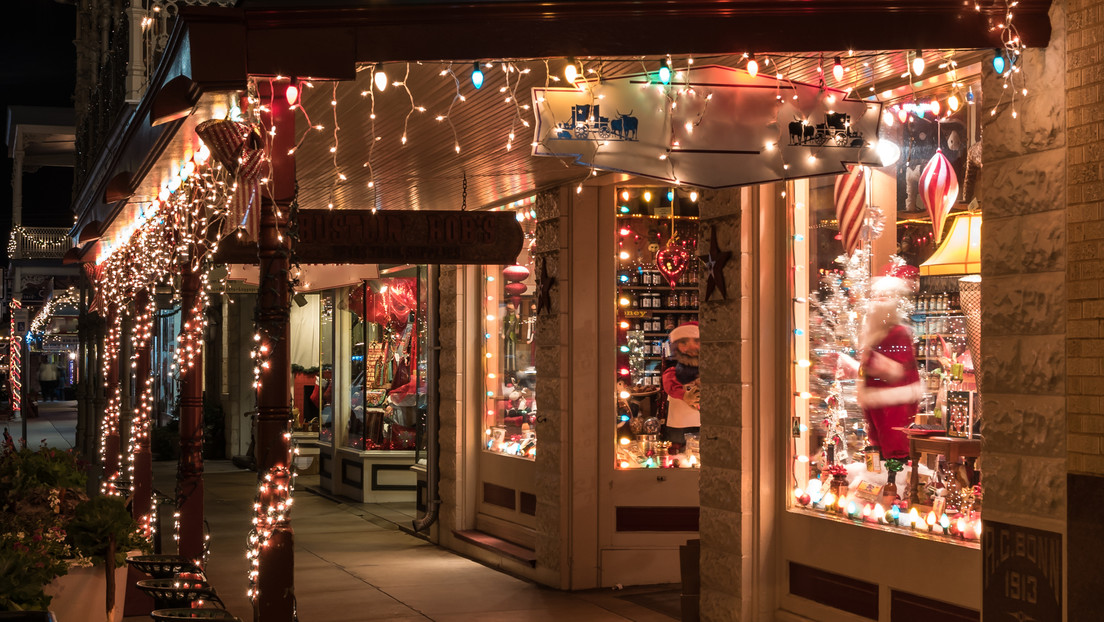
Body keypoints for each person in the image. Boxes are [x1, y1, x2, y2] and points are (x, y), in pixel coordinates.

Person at [856, 265, 923, 501]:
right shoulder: (875, 335)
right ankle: (880, 485)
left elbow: (896, 369)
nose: (878, 304)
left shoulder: (897, 333)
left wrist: (868, 359)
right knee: (877, 441)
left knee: (893, 444)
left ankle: (895, 490)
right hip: (876, 398)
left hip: (895, 400)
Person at [662, 322, 701, 448]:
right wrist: (684, 395)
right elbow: (670, 385)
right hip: (679, 424)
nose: (691, 347)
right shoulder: (672, 370)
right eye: (684, 343)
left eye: (697, 341)